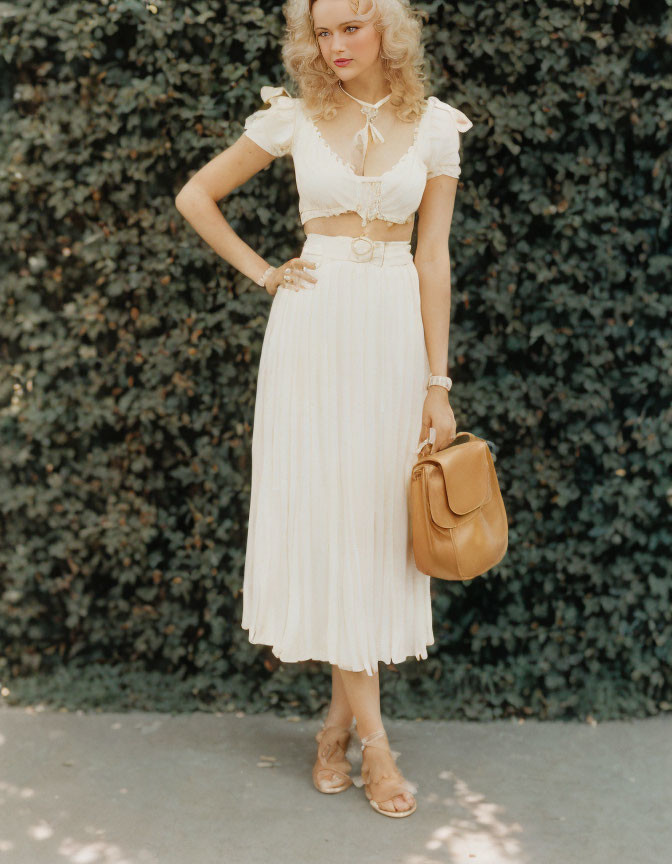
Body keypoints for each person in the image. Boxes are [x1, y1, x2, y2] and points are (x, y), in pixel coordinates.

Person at [175, 0, 473, 819]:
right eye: (322, 30)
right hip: (312, 332)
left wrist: (438, 383)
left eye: (350, 26)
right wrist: (266, 272)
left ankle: (335, 729)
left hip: (392, 337)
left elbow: (434, 258)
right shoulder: (294, 117)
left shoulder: (438, 127)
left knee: (376, 528)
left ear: (387, 29)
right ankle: (376, 746)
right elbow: (196, 196)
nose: (333, 44)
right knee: (333, 523)